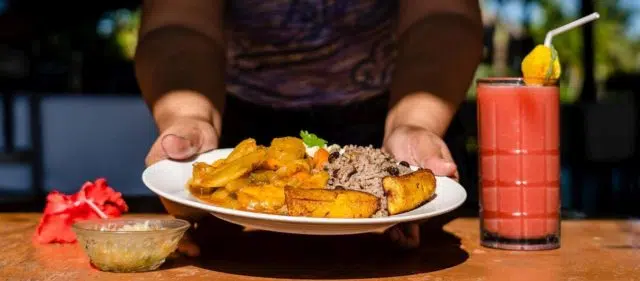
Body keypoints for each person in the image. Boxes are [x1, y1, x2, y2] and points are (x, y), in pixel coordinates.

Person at [134, 0, 483, 257]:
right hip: (232, 121)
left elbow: (443, 15)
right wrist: (189, 117)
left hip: (387, 122)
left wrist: (415, 122)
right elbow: (179, 22)